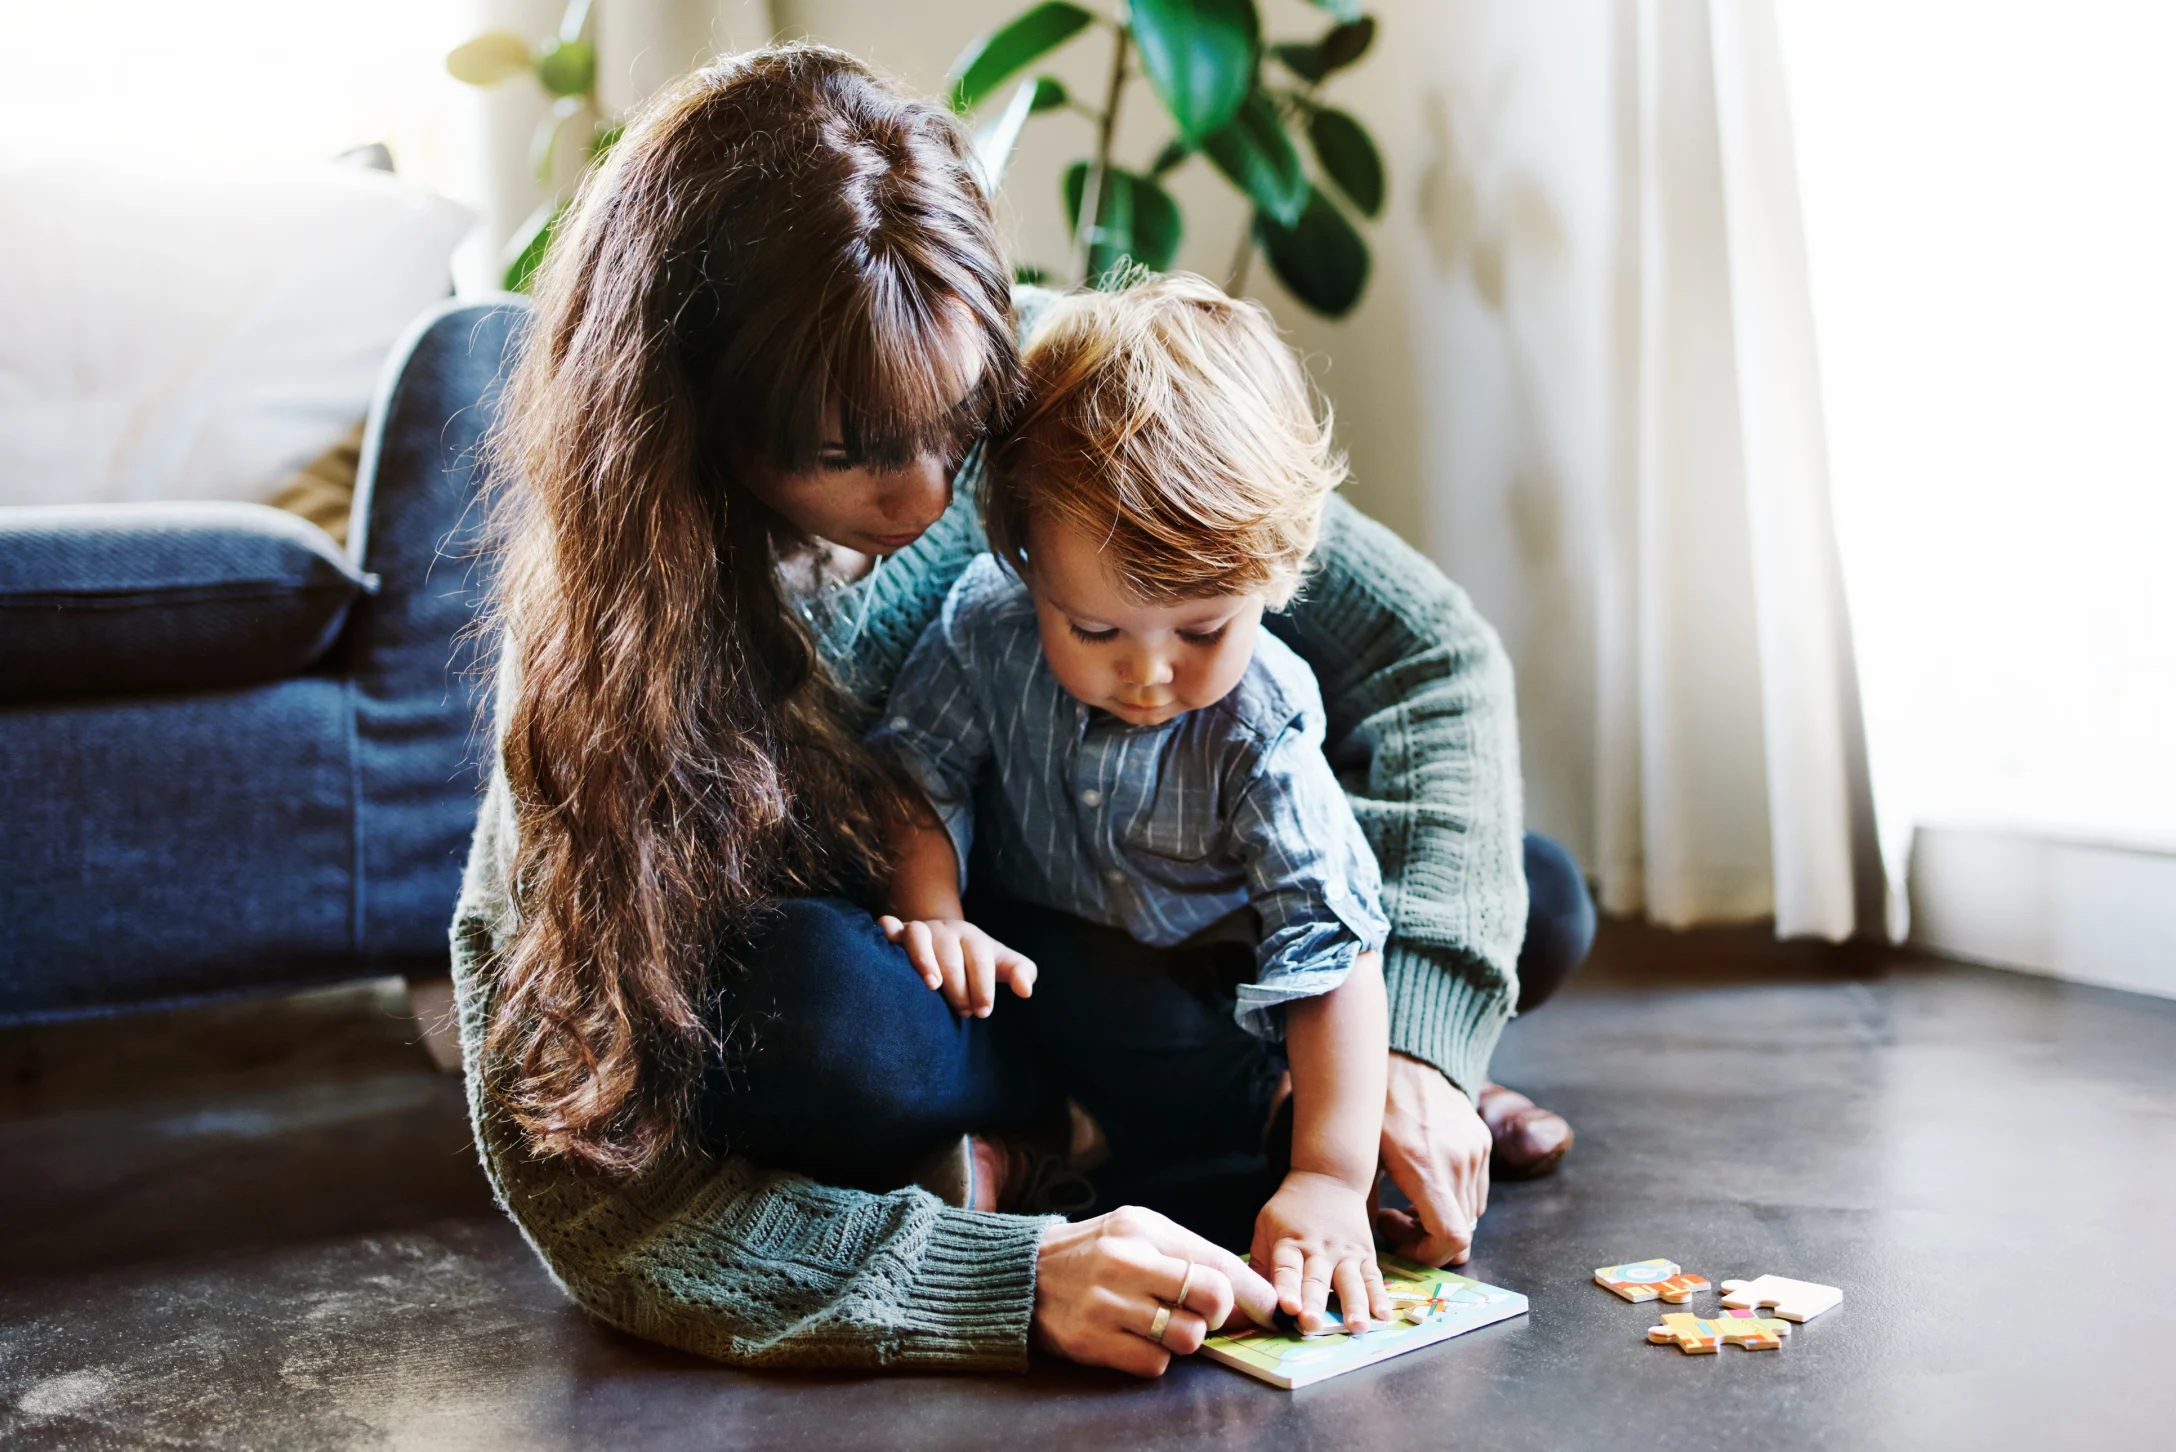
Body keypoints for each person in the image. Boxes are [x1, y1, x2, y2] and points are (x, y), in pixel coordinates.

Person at [451, 43, 1591, 1380]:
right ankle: (1105, 1134)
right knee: (805, 1018)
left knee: (1527, 892)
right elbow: (588, 1193)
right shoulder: (613, 635)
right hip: (971, 986)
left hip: (1192, 921)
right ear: (696, 421)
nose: (932, 493)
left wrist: (1418, 1047)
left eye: (958, 422)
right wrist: (1005, 1282)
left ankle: (1260, 1109)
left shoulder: (1066, 386)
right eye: (854, 451)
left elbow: (1428, 653)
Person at [867, 273, 1398, 1335]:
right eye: (1095, 632)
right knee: (965, 992)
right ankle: (1089, 1142)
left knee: (1529, 907)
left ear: (1274, 574)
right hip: (1042, 966)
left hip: (1211, 990)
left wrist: (1330, 1182)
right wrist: (934, 913)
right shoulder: (985, 625)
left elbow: (1328, 951)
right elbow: (912, 774)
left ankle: (1357, 1122)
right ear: (1023, 559)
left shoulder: (1262, 715)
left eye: (1201, 632)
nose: (1148, 676)